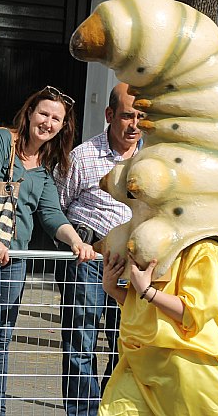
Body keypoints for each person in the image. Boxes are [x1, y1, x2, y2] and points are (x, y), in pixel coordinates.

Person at [0, 85, 96, 416]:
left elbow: (50, 214)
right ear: (30, 112)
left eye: (56, 118)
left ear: (63, 127)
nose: (47, 122)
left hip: (16, 261)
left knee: (2, 341)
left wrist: (75, 240)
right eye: (43, 113)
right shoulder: (4, 140)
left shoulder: (46, 164)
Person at [54, 82, 142, 416]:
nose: (134, 125)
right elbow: (59, 205)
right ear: (109, 115)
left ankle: (110, 407)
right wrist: (77, 243)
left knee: (125, 340)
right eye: (127, 116)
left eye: (140, 117)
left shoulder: (151, 159)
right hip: (89, 258)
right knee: (81, 340)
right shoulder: (83, 156)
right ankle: (82, 412)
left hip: (130, 263)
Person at [100, 239, 218, 415]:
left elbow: (192, 313)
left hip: (188, 365)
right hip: (142, 361)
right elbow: (144, 307)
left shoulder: (206, 249)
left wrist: (147, 291)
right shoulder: (156, 244)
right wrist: (113, 289)